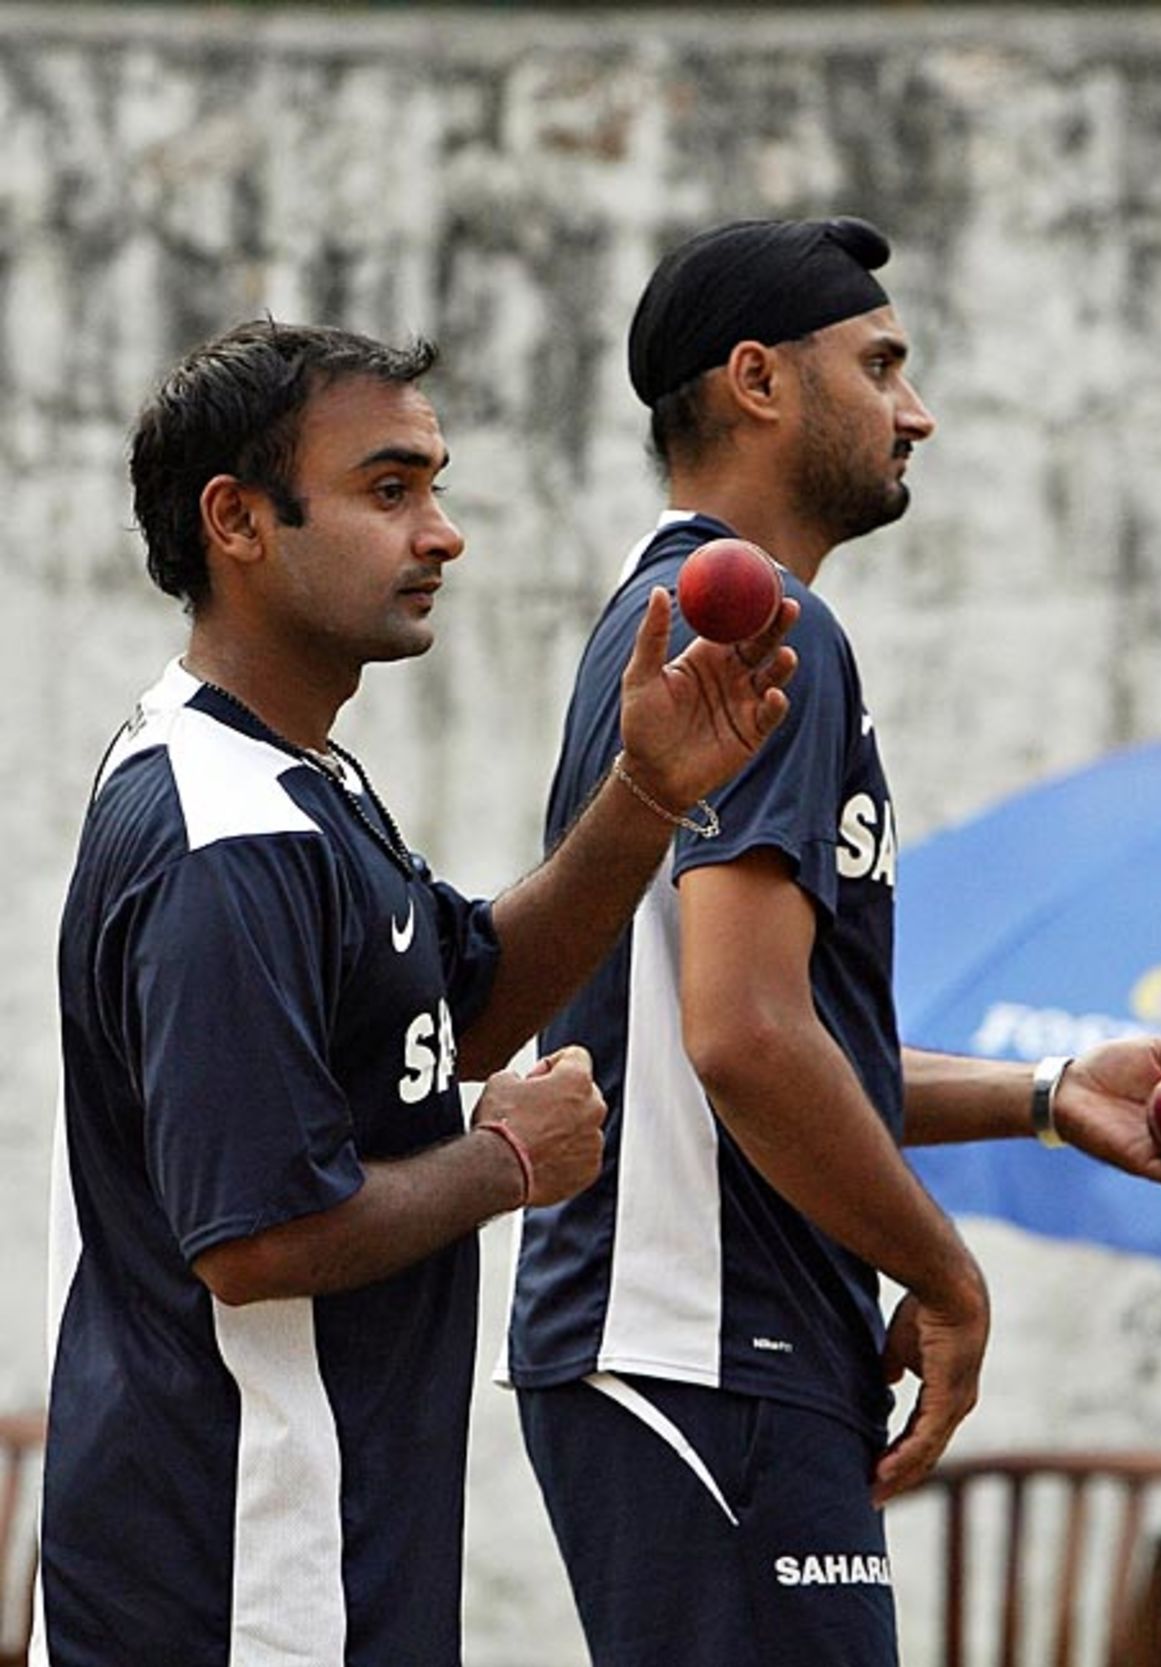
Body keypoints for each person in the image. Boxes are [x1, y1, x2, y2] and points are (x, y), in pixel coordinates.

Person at [502, 217, 1161, 1667]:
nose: (917, 411)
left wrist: (1045, 1099)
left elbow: (751, 1035)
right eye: (882, 364)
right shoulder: (762, 624)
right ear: (757, 383)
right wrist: (949, 1274)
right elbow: (744, 1036)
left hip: (694, 1348)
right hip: (711, 1345)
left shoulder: (662, 622)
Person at [34, 319, 799, 1667]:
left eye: (434, 487)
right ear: (238, 522)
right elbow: (259, 1237)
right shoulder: (227, 833)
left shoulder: (298, 785)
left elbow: (473, 1003)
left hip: (324, 1566)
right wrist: (508, 1159)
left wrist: (648, 797)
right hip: (239, 1593)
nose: (441, 534)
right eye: (390, 492)